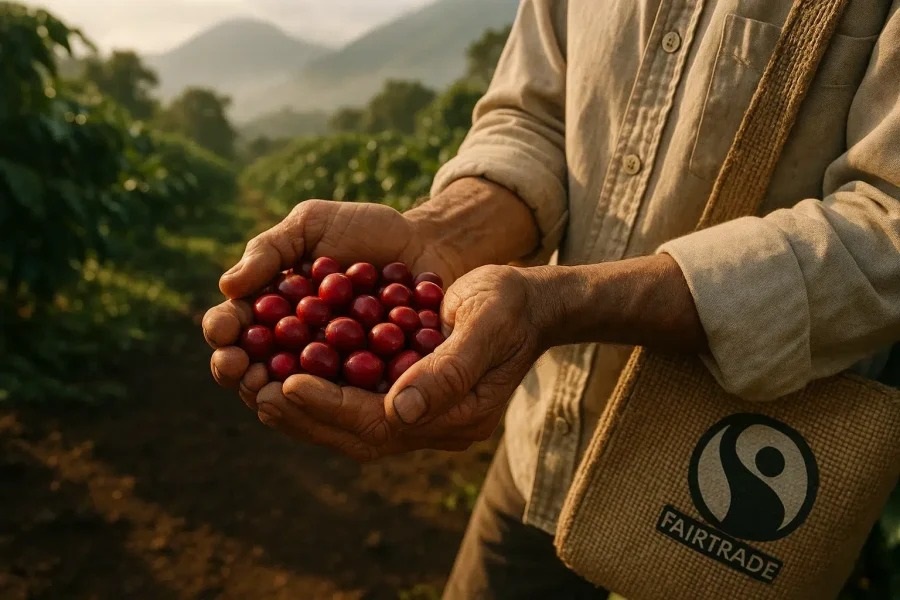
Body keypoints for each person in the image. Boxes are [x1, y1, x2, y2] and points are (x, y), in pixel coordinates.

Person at [202, 0, 900, 597]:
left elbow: (889, 223)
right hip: (549, 435)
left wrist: (563, 304)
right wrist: (441, 233)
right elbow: (533, 117)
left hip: (732, 479)